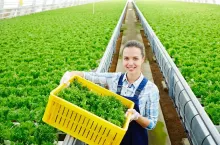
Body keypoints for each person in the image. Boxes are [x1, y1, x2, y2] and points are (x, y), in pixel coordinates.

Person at [60, 40, 160, 145]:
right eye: (126, 58)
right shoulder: (115, 78)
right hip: (111, 138)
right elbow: (91, 76)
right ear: (122, 60)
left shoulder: (151, 89)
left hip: (136, 139)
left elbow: (151, 124)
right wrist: (71, 74)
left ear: (142, 59)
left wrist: (137, 117)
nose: (130, 63)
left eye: (135, 58)